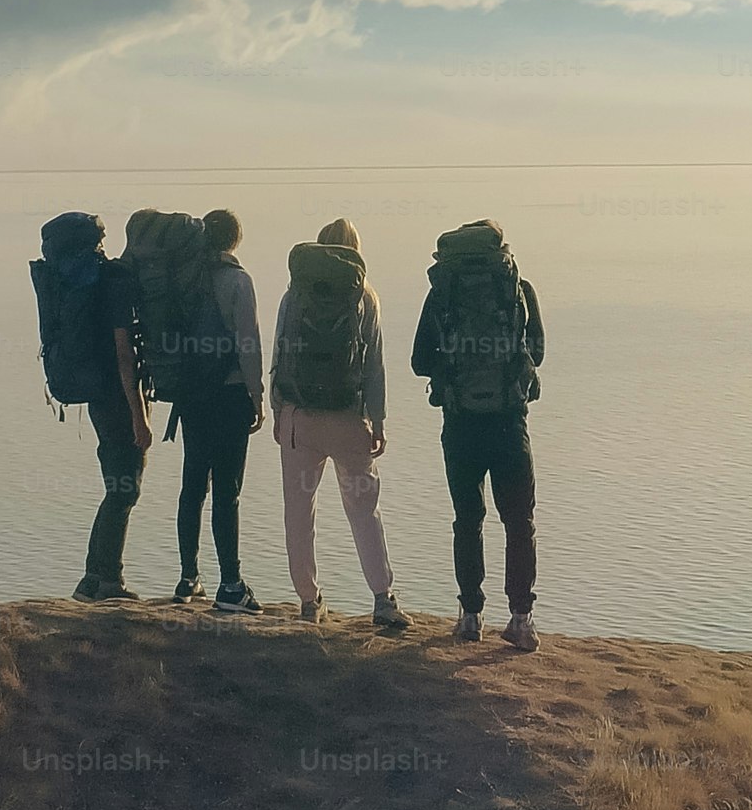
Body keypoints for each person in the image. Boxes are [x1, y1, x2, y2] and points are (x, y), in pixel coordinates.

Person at [410, 219, 545, 650]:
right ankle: (521, 619)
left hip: (460, 423)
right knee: (518, 522)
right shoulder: (517, 290)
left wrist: (454, 371)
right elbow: (537, 350)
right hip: (509, 422)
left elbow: (419, 360)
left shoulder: (442, 293)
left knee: (468, 520)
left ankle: (470, 616)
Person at [273, 218, 406, 632]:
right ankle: (383, 600)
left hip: (300, 418)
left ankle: (310, 601)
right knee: (364, 511)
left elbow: (280, 350)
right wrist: (378, 418)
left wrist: (279, 409)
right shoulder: (365, 296)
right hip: (350, 418)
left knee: (299, 513)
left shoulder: (294, 295)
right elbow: (374, 364)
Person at [41, 209, 149, 602]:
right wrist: (139, 416)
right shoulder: (114, 280)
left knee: (117, 485)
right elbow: (125, 355)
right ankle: (107, 580)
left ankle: (94, 577)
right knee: (124, 489)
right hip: (118, 396)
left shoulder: (84, 280)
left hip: (97, 394)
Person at [164, 208, 266, 614]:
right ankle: (231, 584)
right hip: (229, 395)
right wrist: (257, 397)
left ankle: (188, 577)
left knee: (193, 484)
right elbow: (249, 345)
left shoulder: (184, 281)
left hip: (192, 395)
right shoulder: (239, 281)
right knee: (228, 490)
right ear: (235, 241)